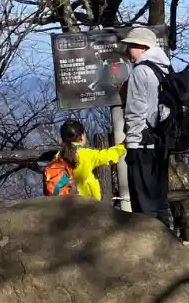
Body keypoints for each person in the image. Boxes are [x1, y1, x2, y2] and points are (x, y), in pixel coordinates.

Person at [121, 26, 173, 228]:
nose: (128, 52)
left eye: (131, 46)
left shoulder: (141, 71)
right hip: (162, 144)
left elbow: (135, 111)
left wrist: (132, 145)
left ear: (142, 47)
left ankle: (151, 251)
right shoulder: (165, 68)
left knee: (144, 205)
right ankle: (169, 244)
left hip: (143, 144)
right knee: (160, 203)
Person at [47, 118, 126, 200]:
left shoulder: (58, 156)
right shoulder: (86, 154)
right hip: (87, 204)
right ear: (81, 137)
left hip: (65, 204)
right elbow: (108, 155)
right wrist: (124, 145)